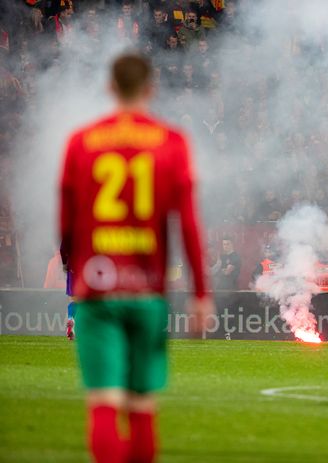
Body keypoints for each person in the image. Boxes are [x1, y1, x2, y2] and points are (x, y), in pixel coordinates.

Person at [59, 54, 213, 463]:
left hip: (98, 288)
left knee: (105, 403)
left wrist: (79, 265)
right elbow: (190, 225)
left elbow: (66, 223)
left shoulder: (82, 141)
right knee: (142, 408)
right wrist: (201, 293)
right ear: (151, 88)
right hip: (146, 291)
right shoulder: (172, 141)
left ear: (110, 88)